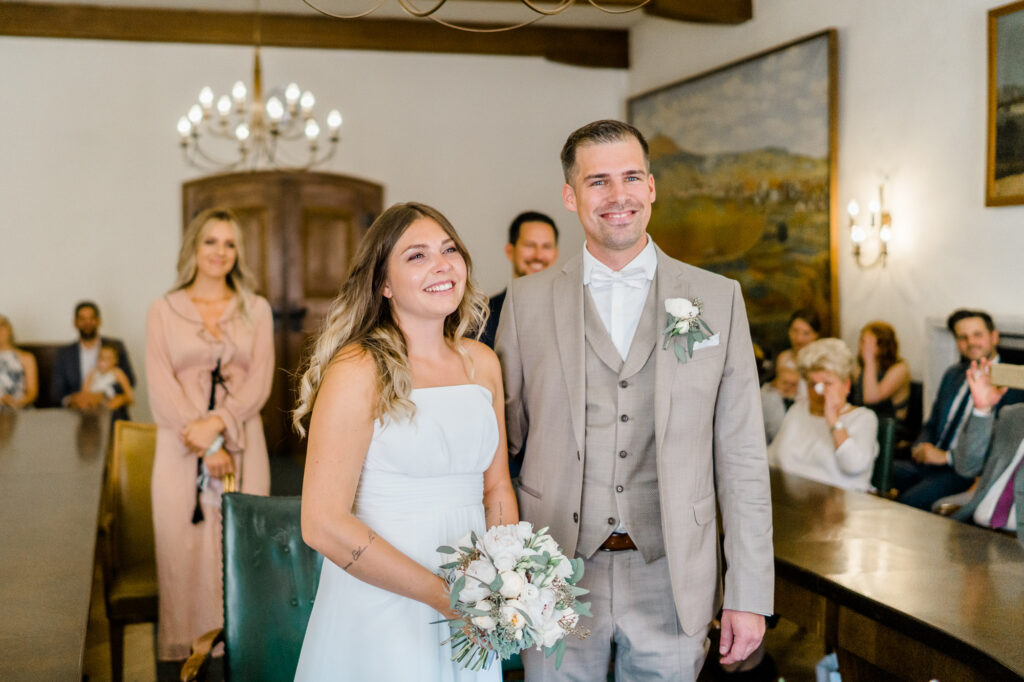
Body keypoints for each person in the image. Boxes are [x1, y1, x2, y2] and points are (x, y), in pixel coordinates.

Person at [495, 120, 774, 681]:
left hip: (673, 574)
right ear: (571, 197)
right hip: (554, 572)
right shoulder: (524, 304)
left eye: (630, 177)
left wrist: (749, 591)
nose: (617, 195)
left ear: (651, 187)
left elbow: (742, 456)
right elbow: (504, 446)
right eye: (598, 181)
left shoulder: (718, 300)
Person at [293, 202, 517, 681]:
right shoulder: (358, 370)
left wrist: (507, 576)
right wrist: (446, 597)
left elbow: (496, 488)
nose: (441, 265)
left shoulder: (482, 363)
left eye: (449, 249)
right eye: (416, 256)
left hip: (472, 605)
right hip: (382, 603)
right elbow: (322, 524)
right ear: (384, 284)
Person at [146, 208, 274, 667]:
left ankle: (241, 648)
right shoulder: (163, 310)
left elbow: (259, 382)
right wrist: (208, 444)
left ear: (237, 253)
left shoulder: (255, 308)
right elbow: (161, 387)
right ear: (193, 249)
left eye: (229, 243)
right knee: (184, 550)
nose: (220, 252)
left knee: (241, 548)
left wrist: (220, 425)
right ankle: (187, 653)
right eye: (211, 242)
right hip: (181, 450)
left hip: (244, 443)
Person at [893, 309, 1024, 510]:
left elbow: (1002, 444)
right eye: (963, 337)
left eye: (977, 335)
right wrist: (921, 447)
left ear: (994, 336)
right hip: (927, 460)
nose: (971, 342)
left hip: (964, 471)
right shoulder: (953, 374)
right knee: (880, 471)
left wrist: (945, 457)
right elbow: (933, 421)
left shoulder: (1013, 382)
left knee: (908, 503)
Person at [768, 338, 879, 491]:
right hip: (792, 502)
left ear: (846, 385)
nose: (818, 392)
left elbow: (854, 466)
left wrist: (833, 420)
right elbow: (771, 458)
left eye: (827, 384)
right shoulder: (798, 411)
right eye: (812, 384)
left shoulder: (863, 418)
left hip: (841, 507)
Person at [950, 357, 1024, 546]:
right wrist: (982, 410)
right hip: (974, 531)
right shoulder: (1013, 416)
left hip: (1015, 547)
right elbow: (967, 468)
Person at [479, 210, 559, 349]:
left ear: (555, 254)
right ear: (510, 251)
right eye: (530, 245)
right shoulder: (482, 317)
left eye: (546, 247)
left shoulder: (573, 312)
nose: (538, 255)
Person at [53, 301, 135, 411]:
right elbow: (56, 391)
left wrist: (104, 395)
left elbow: (130, 380)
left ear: (99, 321)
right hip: (77, 412)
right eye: (82, 319)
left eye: (91, 318)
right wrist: (74, 400)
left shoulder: (115, 346)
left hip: (112, 410)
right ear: (75, 322)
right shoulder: (65, 354)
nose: (87, 323)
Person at [851, 321, 911, 429]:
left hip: (889, 428)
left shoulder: (900, 369)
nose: (862, 347)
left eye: (867, 344)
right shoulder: (863, 368)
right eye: (862, 341)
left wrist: (870, 359)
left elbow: (871, 398)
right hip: (864, 423)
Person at [773, 308, 822, 398]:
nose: (799, 339)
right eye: (795, 331)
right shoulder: (783, 358)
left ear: (816, 335)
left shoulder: (822, 360)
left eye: (806, 333)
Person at [83, 342, 134, 422]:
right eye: (101, 357)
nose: (104, 361)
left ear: (115, 360)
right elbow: (84, 393)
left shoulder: (118, 373)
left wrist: (120, 400)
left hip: (113, 414)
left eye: (108, 358)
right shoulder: (92, 373)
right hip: (95, 413)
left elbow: (130, 397)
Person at [0, 315, 38, 409]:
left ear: (9, 329)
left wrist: (17, 402)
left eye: (2, 325)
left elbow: (32, 392)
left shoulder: (26, 357)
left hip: (19, 409)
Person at [761, 355, 799, 444]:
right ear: (776, 381)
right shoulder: (769, 398)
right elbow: (778, 433)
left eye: (793, 385)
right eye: (785, 383)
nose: (788, 387)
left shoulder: (797, 401)